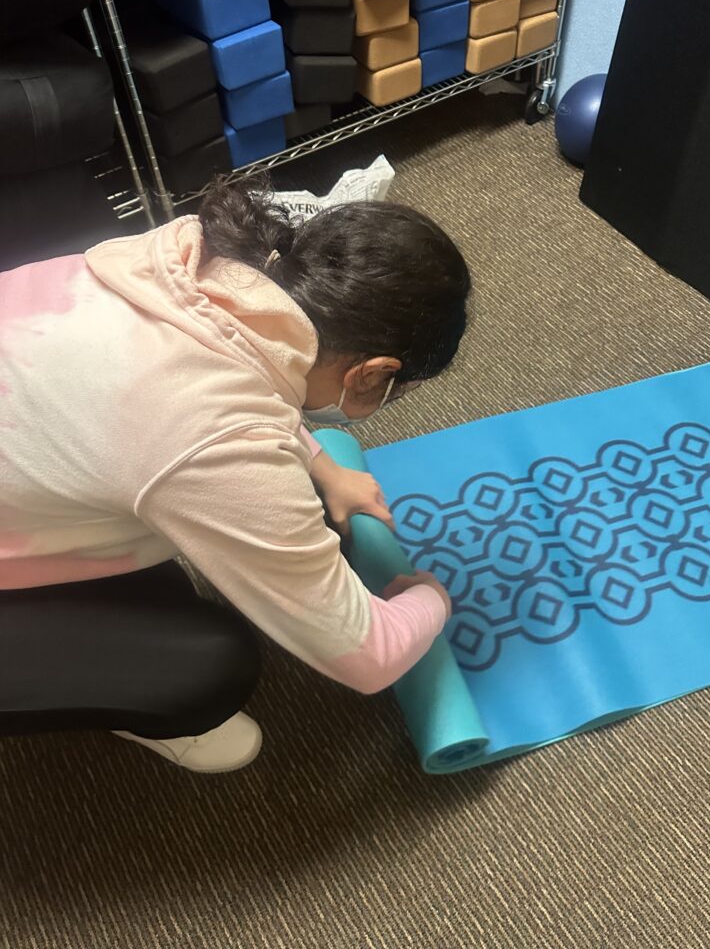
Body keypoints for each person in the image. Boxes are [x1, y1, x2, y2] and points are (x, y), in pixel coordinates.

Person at [0, 177, 471, 773]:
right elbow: (370, 655)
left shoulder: (187, 264)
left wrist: (323, 466)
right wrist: (430, 597)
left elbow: (233, 377)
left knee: (160, 570)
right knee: (208, 666)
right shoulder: (217, 439)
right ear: (373, 374)